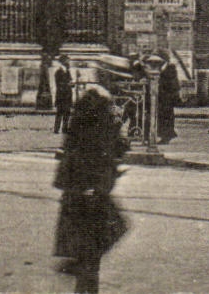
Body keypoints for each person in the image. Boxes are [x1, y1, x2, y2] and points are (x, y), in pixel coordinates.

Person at [53, 82, 130, 293]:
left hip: (79, 187)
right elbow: (107, 147)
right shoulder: (101, 110)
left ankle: (81, 276)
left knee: (89, 244)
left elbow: (73, 146)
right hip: (92, 189)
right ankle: (81, 273)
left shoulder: (87, 108)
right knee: (104, 236)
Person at [155, 53, 181, 143]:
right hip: (162, 96)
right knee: (162, 116)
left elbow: (172, 83)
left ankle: (167, 136)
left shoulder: (170, 68)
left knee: (167, 116)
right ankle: (165, 135)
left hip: (168, 96)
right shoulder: (162, 68)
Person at [52, 54, 74, 135]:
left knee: (67, 112)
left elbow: (70, 81)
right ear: (63, 62)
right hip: (61, 96)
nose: (69, 62)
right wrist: (68, 84)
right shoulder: (58, 72)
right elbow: (59, 84)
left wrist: (72, 84)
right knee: (60, 112)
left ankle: (64, 129)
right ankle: (56, 129)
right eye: (67, 60)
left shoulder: (67, 71)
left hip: (67, 95)